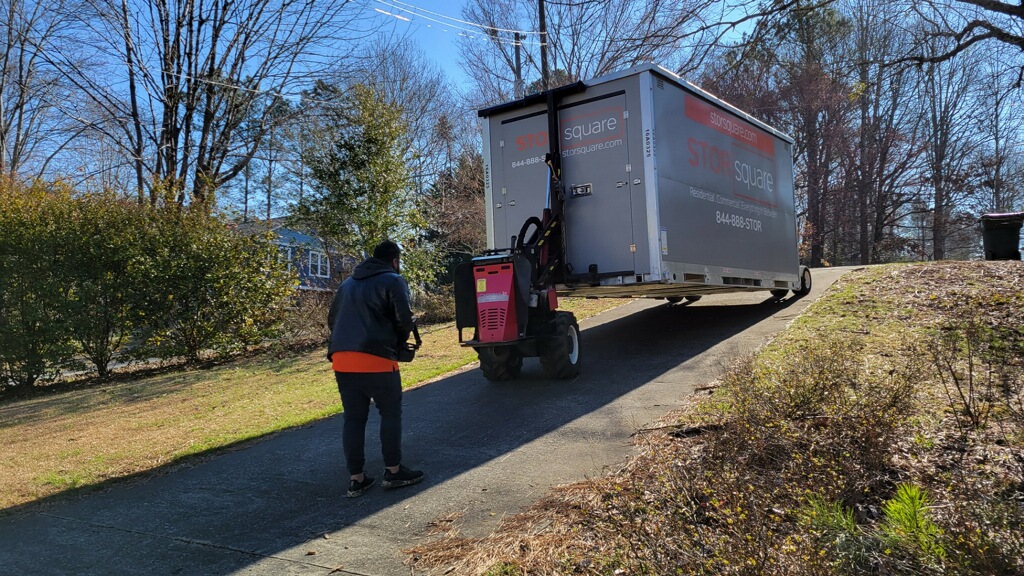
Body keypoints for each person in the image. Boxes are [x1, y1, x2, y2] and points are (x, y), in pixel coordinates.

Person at [327, 240, 424, 497]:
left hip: (342, 360)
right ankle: (393, 472)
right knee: (390, 414)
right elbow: (404, 319)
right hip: (377, 359)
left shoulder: (347, 284)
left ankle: (356, 478)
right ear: (395, 260)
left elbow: (331, 321)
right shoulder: (393, 280)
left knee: (354, 418)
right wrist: (400, 342)